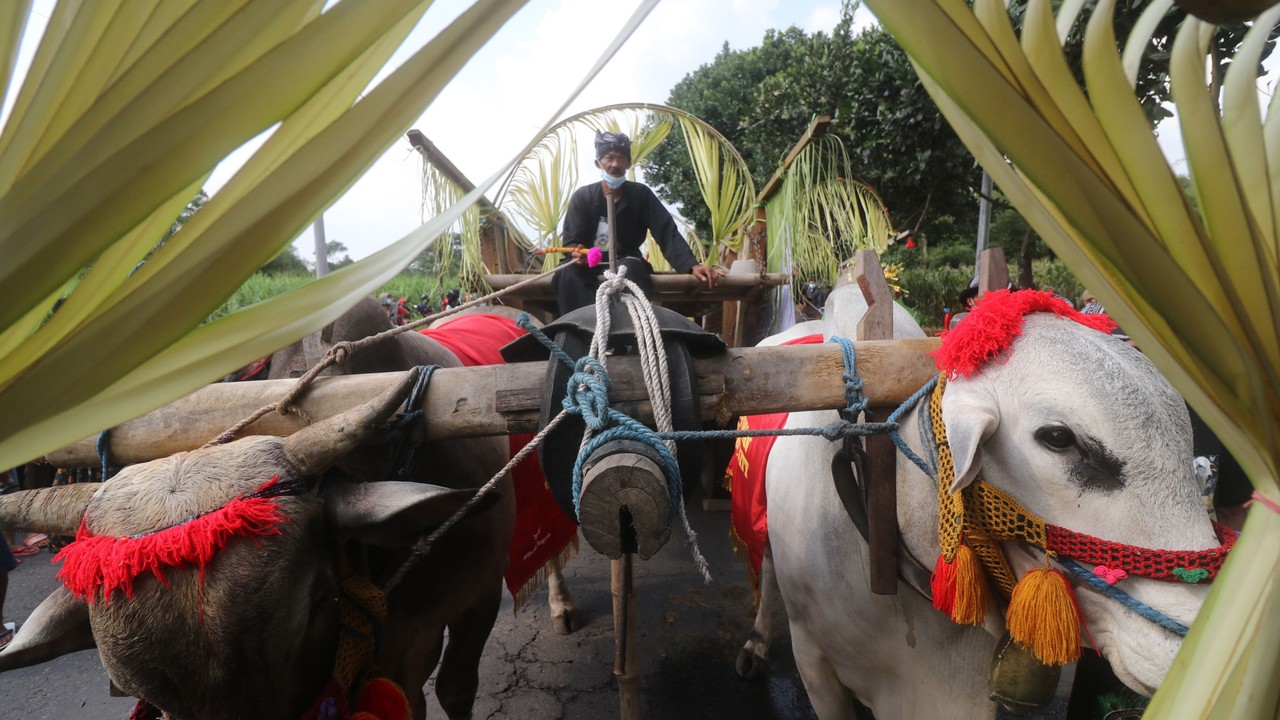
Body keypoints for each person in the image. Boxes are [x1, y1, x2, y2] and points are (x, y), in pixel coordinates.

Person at [552, 131, 720, 315]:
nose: (615, 164)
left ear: (628, 163)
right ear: (598, 163)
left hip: (626, 260)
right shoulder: (582, 197)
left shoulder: (641, 194)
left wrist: (691, 265)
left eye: (621, 158)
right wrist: (578, 253)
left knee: (631, 268)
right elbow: (572, 242)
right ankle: (581, 330)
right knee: (566, 274)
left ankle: (629, 334)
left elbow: (666, 231)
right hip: (589, 264)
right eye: (609, 158)